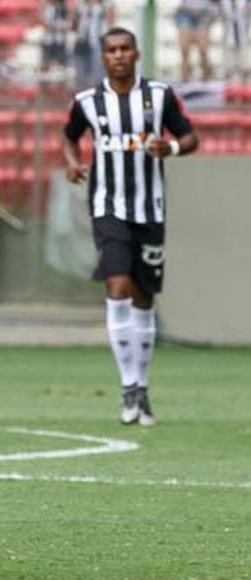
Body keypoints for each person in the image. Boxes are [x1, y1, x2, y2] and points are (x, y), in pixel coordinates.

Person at [63, 28, 199, 426]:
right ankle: (127, 388)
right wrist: (72, 162)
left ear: (136, 53)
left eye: (125, 49)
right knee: (117, 286)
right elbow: (69, 136)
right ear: (103, 57)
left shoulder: (159, 96)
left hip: (150, 211)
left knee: (143, 299)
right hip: (109, 209)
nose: (119, 55)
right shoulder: (87, 101)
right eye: (111, 50)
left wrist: (170, 147)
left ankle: (141, 387)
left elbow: (190, 137)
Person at [170, 0, 221, 81]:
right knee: (184, 48)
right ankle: (185, 79)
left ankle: (206, 78)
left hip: (204, 13)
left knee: (203, 49)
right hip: (185, 11)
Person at [72, 0, 116, 89]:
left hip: (98, 41)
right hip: (81, 41)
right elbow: (75, 19)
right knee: (80, 75)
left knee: (97, 75)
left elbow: (110, 21)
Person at [218, 0, 248, 82]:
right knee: (230, 67)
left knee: (245, 66)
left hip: (244, 35)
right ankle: (231, 88)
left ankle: (245, 89)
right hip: (229, 36)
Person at [39, 0, 70, 72]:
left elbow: (67, 23)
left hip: (59, 41)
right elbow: (42, 20)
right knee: (45, 65)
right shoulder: (46, 5)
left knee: (61, 66)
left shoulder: (62, 6)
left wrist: (55, 25)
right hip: (47, 41)